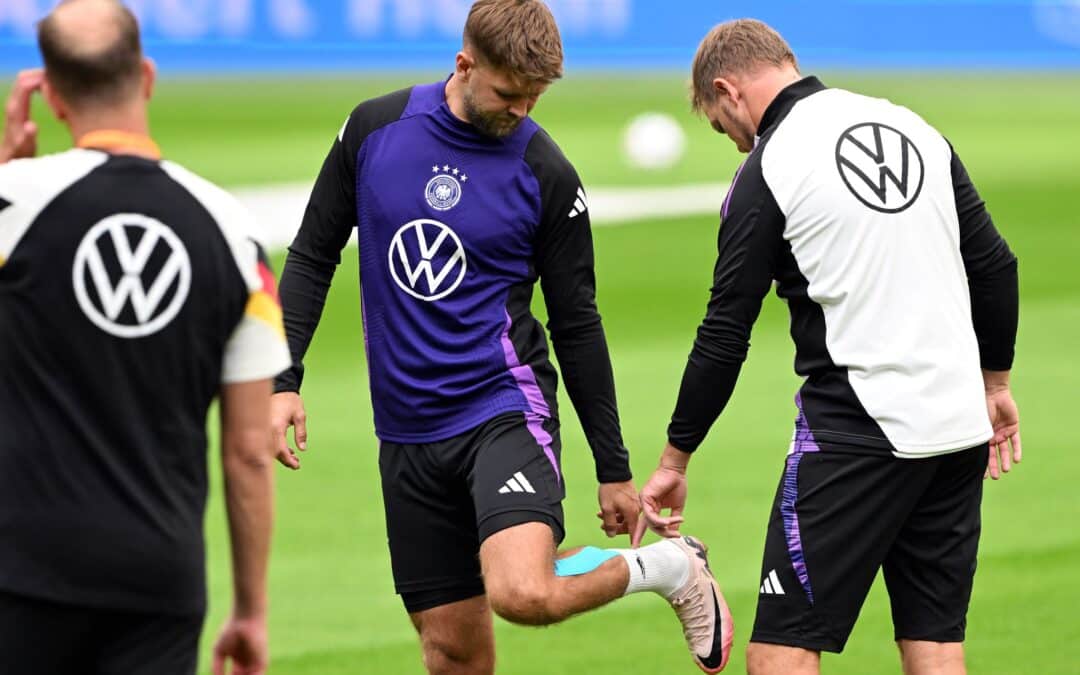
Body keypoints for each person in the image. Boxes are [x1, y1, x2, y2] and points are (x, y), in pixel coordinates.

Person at [269, 0, 732, 672]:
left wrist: (614, 468)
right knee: (452, 652)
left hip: (501, 410)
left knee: (522, 592)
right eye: (510, 93)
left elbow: (577, 322)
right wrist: (284, 378)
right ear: (465, 64)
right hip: (405, 430)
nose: (523, 110)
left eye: (536, 96)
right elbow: (312, 254)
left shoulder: (545, 173)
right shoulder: (373, 131)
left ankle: (668, 565)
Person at [633, 18, 1021, 675]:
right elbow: (996, 265)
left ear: (728, 91)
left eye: (723, 128)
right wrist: (996, 383)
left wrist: (676, 455)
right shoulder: (912, 127)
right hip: (957, 426)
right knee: (934, 647)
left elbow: (725, 331)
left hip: (858, 433)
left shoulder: (771, 167)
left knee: (779, 650)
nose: (734, 145)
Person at [0, 2, 291, 674]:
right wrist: (251, 610)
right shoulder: (234, 232)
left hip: (21, 567)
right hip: (157, 579)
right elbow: (249, 450)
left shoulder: (11, 205)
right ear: (148, 77)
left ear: (50, 96)